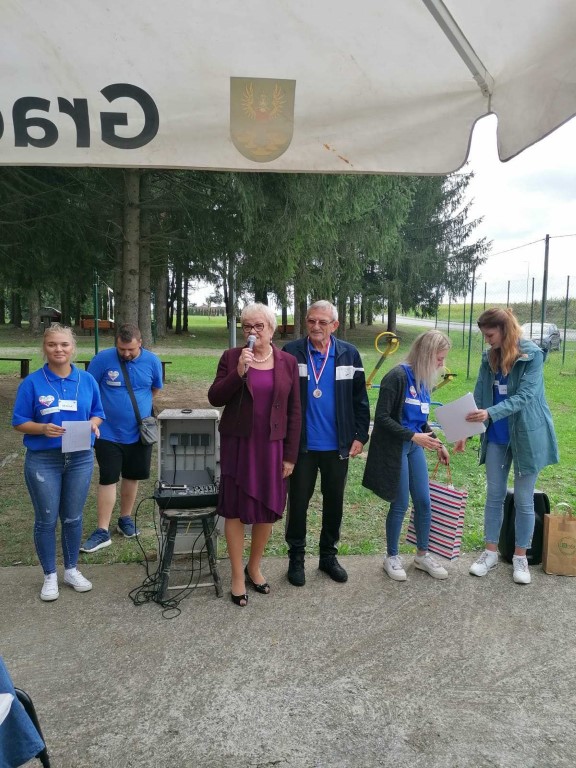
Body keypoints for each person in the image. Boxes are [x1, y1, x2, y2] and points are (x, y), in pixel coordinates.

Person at [455, 308, 558, 585]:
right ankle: (489, 553)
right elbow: (480, 394)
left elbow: (525, 396)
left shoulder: (532, 356)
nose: (487, 340)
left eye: (490, 335)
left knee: (524, 499)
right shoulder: (488, 356)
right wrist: (466, 432)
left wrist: (489, 413)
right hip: (497, 436)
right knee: (494, 495)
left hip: (526, 436)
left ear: (505, 330)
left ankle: (520, 557)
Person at [208, 303, 301, 606]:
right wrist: (238, 373)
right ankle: (237, 575)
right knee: (235, 510)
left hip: (272, 447)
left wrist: (290, 456)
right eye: (247, 326)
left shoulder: (287, 362)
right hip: (239, 446)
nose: (253, 331)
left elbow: (294, 411)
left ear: (271, 329)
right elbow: (215, 398)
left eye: (259, 326)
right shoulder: (231, 357)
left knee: (267, 508)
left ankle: (254, 566)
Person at [11, 324, 104, 601]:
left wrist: (93, 424)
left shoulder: (87, 380)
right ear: (44, 348)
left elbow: (98, 413)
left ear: (73, 348)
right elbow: (19, 422)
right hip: (44, 460)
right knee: (47, 519)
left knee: (73, 517)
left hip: (80, 458)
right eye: (52, 344)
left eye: (64, 344)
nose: (59, 349)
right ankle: (50, 574)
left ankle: (71, 569)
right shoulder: (32, 383)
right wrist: (42, 428)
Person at [283, 300, 370, 586]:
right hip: (302, 447)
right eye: (311, 321)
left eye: (323, 322)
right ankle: (296, 557)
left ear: (335, 325)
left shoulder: (349, 354)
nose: (316, 326)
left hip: (338, 446)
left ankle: (328, 557)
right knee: (298, 504)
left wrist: (360, 436)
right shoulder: (291, 352)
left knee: (334, 503)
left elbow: (360, 399)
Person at [363, 330, 452, 581]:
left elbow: (420, 420)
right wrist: (413, 437)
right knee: (400, 503)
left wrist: (437, 443)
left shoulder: (424, 380)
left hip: (414, 447)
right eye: (439, 358)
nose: (442, 364)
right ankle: (391, 557)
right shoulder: (397, 377)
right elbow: (381, 418)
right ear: (425, 354)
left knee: (424, 501)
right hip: (395, 448)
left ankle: (422, 555)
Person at [80, 323, 163, 553]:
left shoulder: (152, 361)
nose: (126, 354)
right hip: (107, 432)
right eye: (121, 349)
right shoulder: (102, 359)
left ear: (140, 344)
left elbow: (155, 388)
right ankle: (102, 530)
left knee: (132, 476)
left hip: (139, 432)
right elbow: (89, 388)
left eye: (131, 350)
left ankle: (125, 519)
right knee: (108, 478)